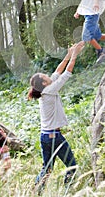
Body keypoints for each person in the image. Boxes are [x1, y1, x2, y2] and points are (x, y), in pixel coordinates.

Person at [28, 41, 84, 193]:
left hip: (45, 136)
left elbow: (58, 71)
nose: (49, 75)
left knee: (47, 169)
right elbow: (66, 73)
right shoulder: (50, 90)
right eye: (46, 76)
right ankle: (67, 191)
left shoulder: (45, 89)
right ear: (44, 83)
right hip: (54, 137)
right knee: (72, 165)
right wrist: (74, 55)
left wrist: (68, 54)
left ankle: (36, 191)